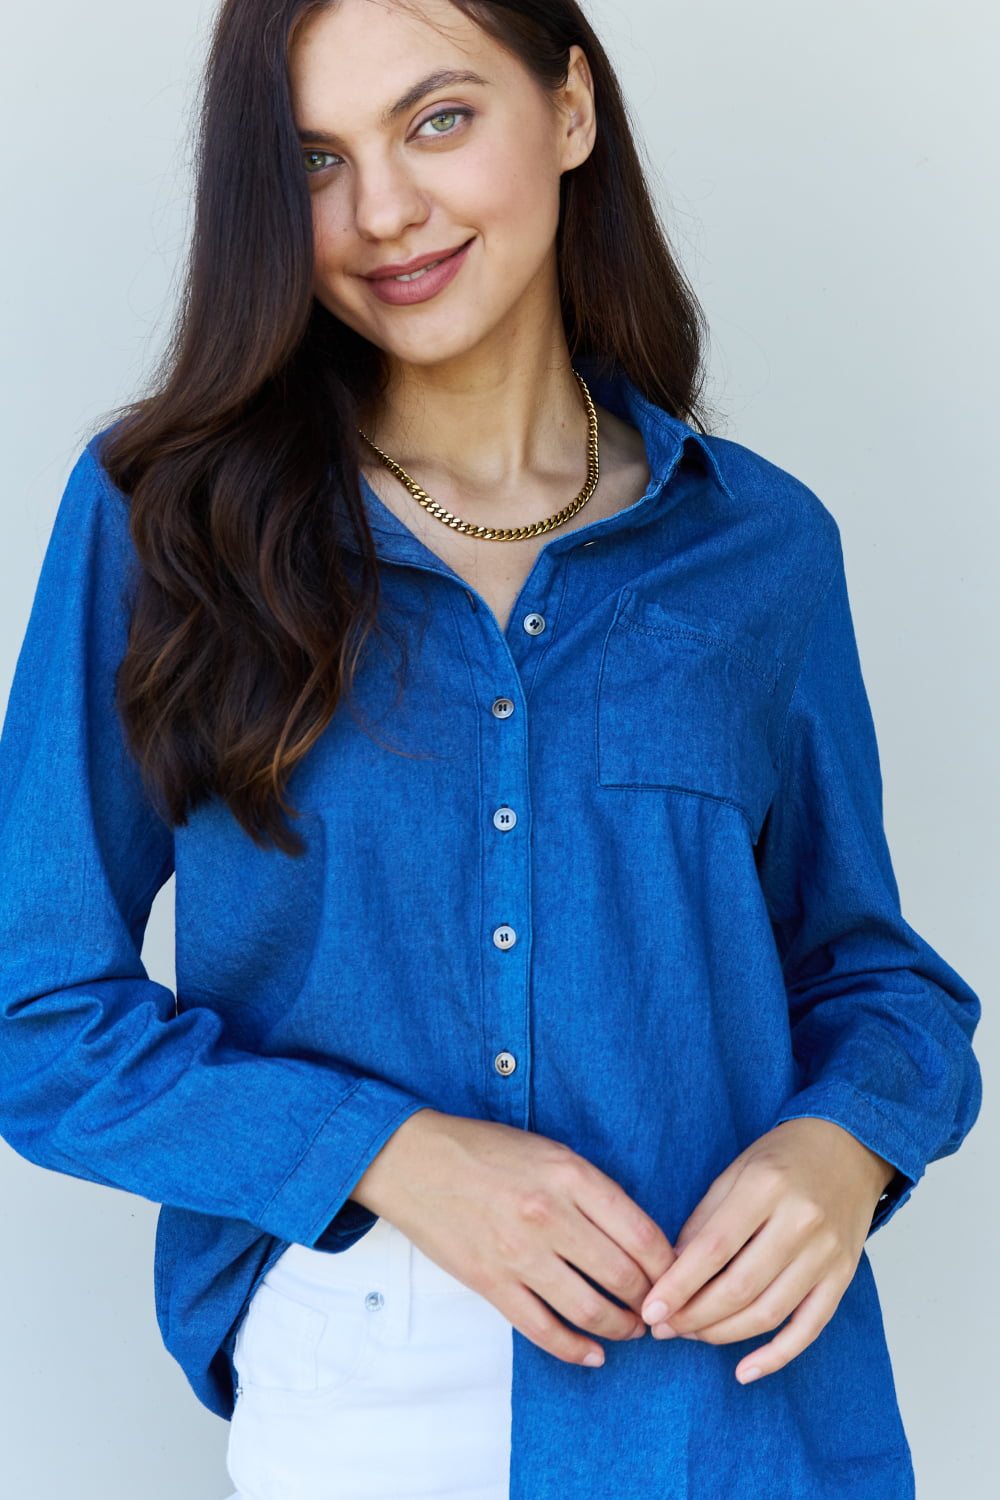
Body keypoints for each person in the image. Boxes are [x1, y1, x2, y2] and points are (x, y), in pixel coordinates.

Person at [0, 0, 982, 1496]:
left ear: (571, 110)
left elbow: (871, 973)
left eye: (437, 119)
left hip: (737, 1396)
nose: (382, 209)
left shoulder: (761, 545)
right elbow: (32, 1009)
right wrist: (395, 1152)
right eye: (312, 159)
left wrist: (842, 1149)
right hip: (371, 1369)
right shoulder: (161, 520)